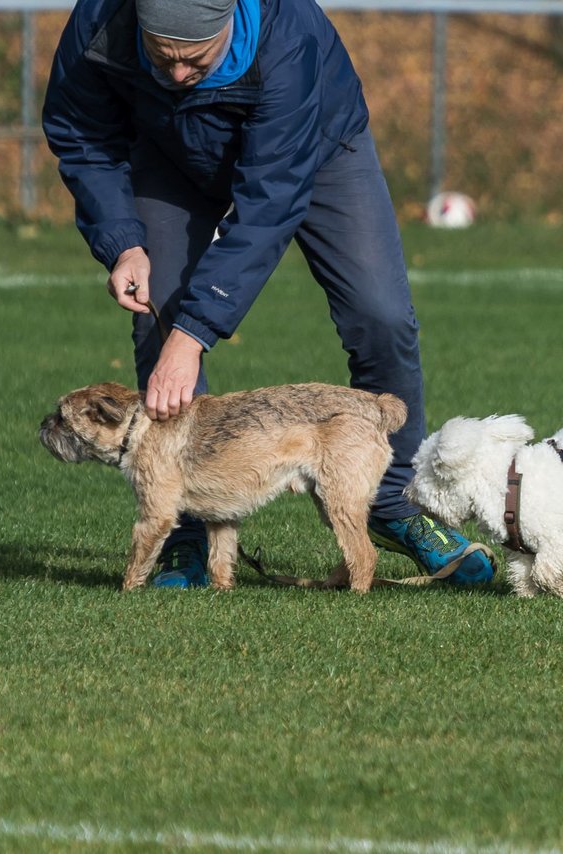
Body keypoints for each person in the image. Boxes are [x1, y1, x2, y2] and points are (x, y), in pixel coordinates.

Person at [42, 0, 494, 588]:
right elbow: (81, 136)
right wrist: (123, 242)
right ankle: (184, 532)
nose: (177, 73)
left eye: (194, 57)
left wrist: (196, 333)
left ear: (228, 25)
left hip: (314, 146)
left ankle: (393, 505)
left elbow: (266, 206)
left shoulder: (289, 42)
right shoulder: (99, 22)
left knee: (380, 315)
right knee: (158, 318)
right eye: (162, 56)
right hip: (167, 150)